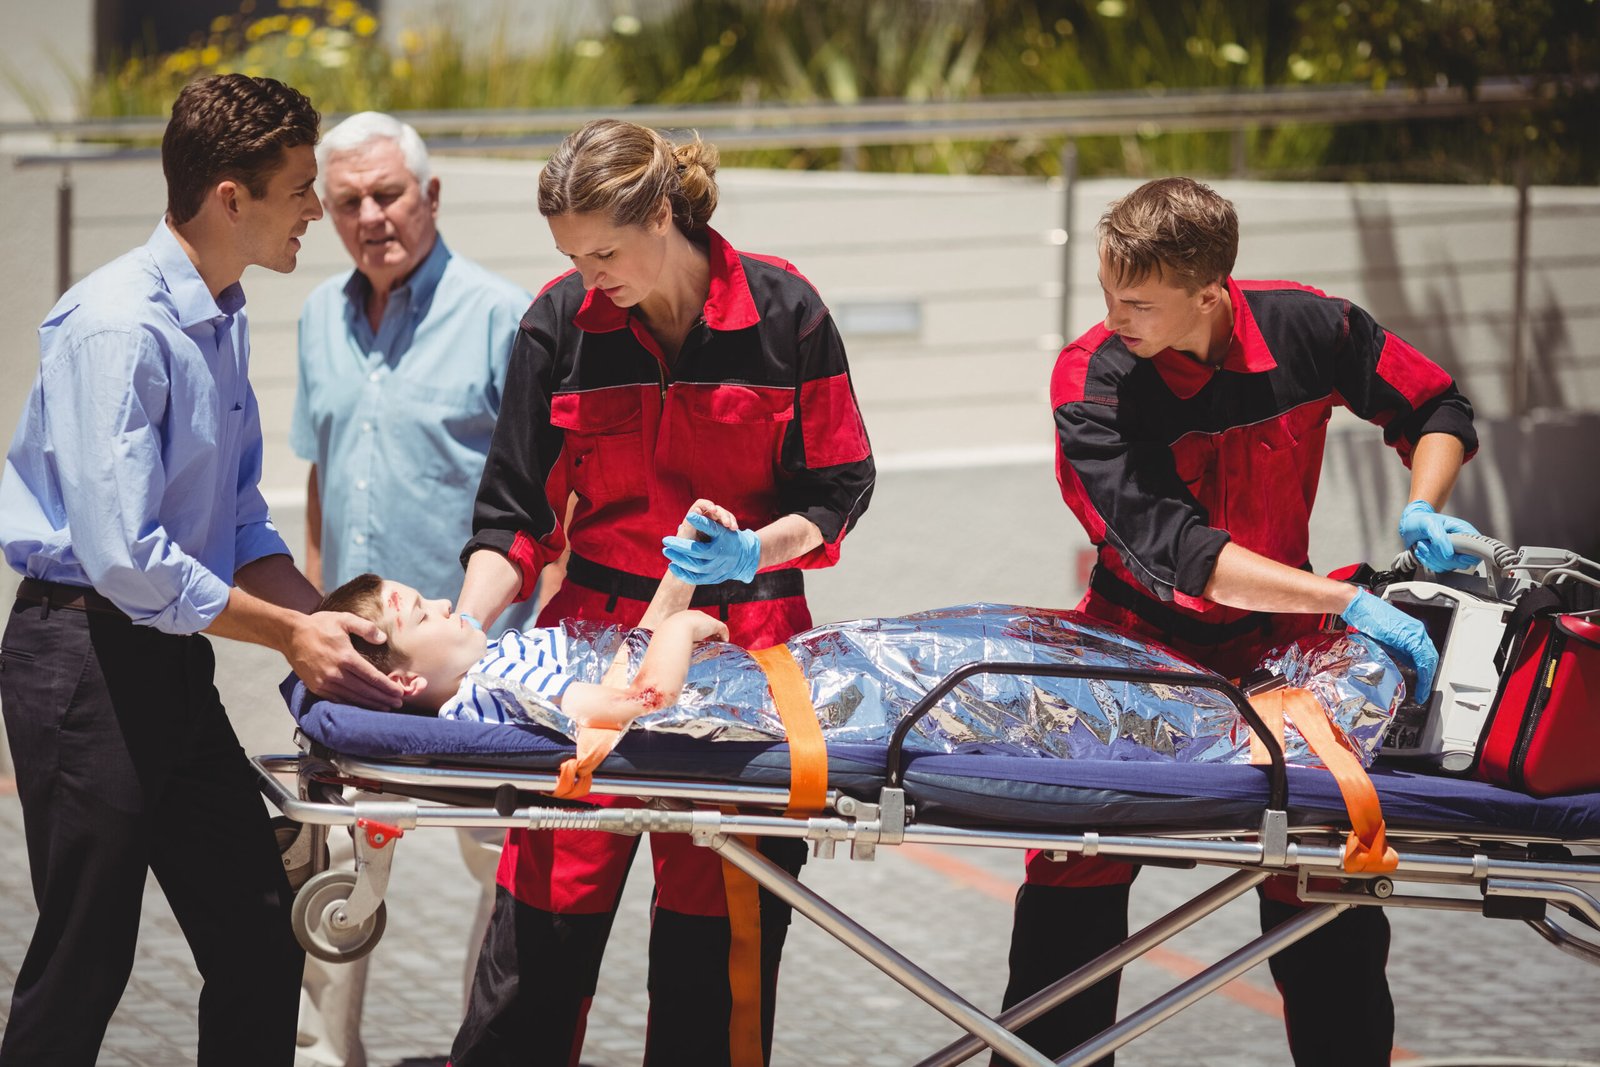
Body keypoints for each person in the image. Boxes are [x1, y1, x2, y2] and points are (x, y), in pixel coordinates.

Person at [1002, 176, 1479, 1067]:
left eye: (1138, 301)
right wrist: (1347, 599)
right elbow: (1182, 553)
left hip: (1280, 652)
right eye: (1108, 292)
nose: (1115, 317)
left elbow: (1436, 406)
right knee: (1074, 858)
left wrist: (1424, 505)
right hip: (1133, 640)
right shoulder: (1093, 378)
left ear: (1211, 289)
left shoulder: (1311, 328)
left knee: (1330, 860)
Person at [0, 74, 405, 1067]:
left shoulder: (218, 315)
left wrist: (334, 621)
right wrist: (285, 634)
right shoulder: (119, 326)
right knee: (85, 960)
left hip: (166, 661)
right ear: (233, 195)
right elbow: (125, 554)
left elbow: (234, 520)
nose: (320, 209)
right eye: (302, 186)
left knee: (260, 932)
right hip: (81, 661)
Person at [451, 119, 875, 1066]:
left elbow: (841, 488)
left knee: (711, 968)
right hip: (593, 658)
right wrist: (459, 634)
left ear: (664, 216)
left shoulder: (784, 311)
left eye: (604, 249)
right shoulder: (558, 322)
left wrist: (754, 549)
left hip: (747, 657)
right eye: (570, 252)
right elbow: (513, 516)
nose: (586, 272)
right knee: (535, 954)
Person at [289, 110, 533, 1067]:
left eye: (388, 193)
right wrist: (314, 612)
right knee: (338, 870)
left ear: (431, 195)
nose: (370, 216)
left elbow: (544, 489)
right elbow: (321, 471)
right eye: (347, 201)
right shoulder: (317, 316)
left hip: (475, 659)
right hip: (352, 658)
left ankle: (491, 1051)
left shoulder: (501, 314)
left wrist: (508, 640)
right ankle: (320, 1055)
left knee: (509, 871)